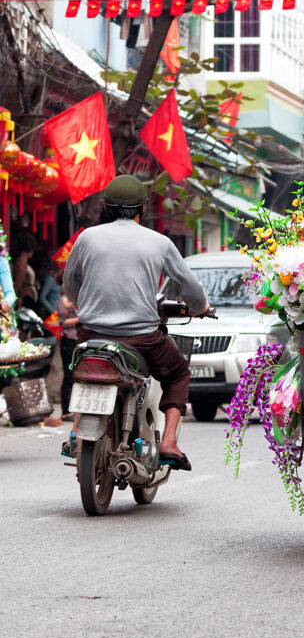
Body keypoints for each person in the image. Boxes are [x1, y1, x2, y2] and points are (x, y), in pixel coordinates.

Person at [63, 175, 209, 470]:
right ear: (143, 207)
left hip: (90, 334)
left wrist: (86, 304)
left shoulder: (86, 237)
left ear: (105, 206)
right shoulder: (159, 241)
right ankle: (168, 441)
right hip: (141, 339)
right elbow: (190, 287)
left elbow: (70, 284)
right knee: (178, 372)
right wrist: (200, 308)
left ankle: (77, 432)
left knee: (82, 373)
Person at [57, 289, 78, 421]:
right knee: (68, 376)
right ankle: (65, 411)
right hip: (68, 341)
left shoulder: (79, 299)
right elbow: (63, 323)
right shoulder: (63, 301)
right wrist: (80, 318)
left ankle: (73, 409)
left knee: (76, 376)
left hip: (78, 340)